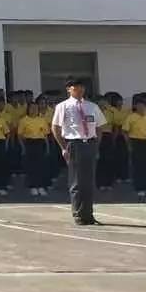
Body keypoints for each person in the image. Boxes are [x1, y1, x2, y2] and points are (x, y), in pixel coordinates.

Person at [51, 78, 106, 226]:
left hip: (90, 143)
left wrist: (96, 145)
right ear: (69, 89)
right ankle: (78, 214)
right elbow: (55, 128)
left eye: (82, 87)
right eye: (76, 87)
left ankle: (88, 214)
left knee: (89, 181)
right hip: (74, 143)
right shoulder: (63, 106)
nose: (80, 89)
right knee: (77, 181)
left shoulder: (92, 106)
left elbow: (100, 126)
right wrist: (63, 147)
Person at [15, 101, 51, 197]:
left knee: (41, 166)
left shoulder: (42, 120)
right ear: (28, 109)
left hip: (40, 143)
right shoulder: (24, 120)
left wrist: (47, 147)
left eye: (36, 108)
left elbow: (45, 135)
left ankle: (41, 186)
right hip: (29, 143)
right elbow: (20, 135)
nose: (34, 110)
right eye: (32, 108)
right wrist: (23, 147)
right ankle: (32, 186)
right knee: (31, 166)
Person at [124, 99, 146, 198]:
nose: (142, 108)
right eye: (140, 106)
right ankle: (139, 187)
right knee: (138, 165)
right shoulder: (131, 117)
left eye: (143, 106)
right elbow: (125, 131)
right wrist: (129, 145)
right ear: (136, 106)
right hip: (136, 141)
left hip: (145, 142)